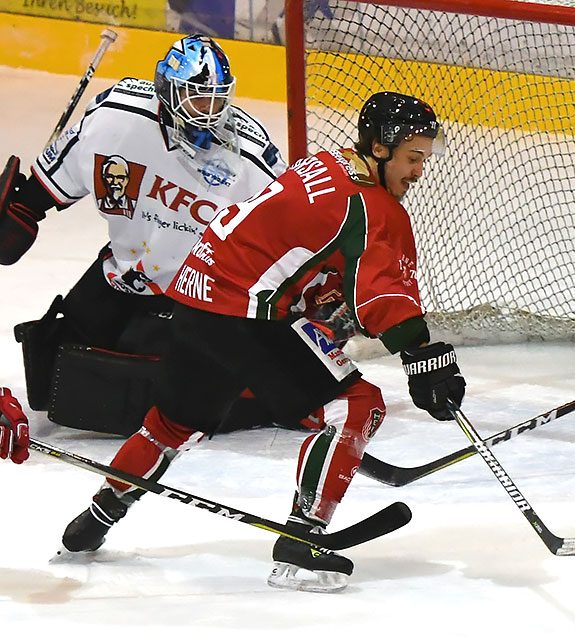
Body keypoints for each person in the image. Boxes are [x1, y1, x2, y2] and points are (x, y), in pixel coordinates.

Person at [56, 91, 467, 593]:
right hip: (245, 318)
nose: (419, 171)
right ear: (380, 149)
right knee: (357, 406)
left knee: (172, 423)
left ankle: (96, 519)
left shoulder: (323, 165)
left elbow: (303, 258)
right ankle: (301, 542)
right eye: (413, 157)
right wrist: (429, 360)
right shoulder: (374, 208)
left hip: (191, 302)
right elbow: (384, 300)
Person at [0, 34, 286, 436]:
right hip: (125, 272)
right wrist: (24, 208)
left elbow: (294, 229)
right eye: (198, 98)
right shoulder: (113, 120)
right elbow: (52, 182)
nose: (210, 113)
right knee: (52, 367)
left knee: (151, 396)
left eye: (218, 99)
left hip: (200, 295)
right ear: (168, 92)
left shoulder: (250, 156)